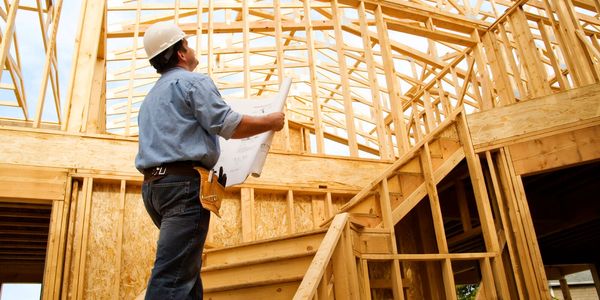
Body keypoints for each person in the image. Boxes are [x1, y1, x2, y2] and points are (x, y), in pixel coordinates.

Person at [135, 22, 285, 300]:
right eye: (186, 45)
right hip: (182, 188)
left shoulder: (150, 98)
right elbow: (230, 126)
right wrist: (270, 122)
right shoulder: (193, 82)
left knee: (185, 274)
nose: (190, 49)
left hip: (154, 190)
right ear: (180, 54)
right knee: (172, 277)